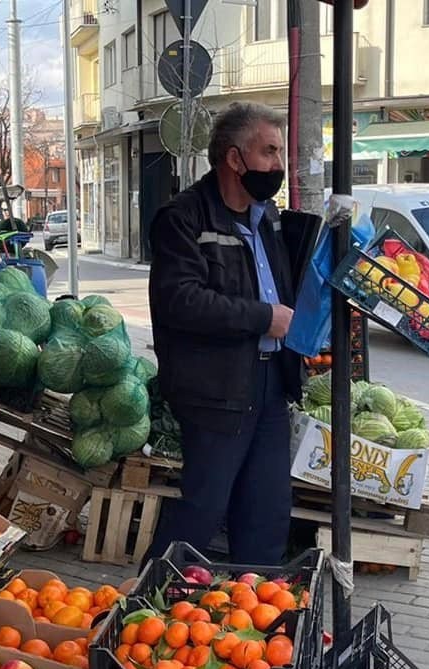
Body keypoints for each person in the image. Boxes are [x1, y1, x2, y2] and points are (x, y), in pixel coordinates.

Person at [143, 102, 301, 567]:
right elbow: (179, 300)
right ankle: (141, 612)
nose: (278, 165)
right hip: (215, 390)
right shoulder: (183, 218)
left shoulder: (267, 217)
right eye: (269, 152)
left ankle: (254, 621)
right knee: (201, 513)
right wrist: (261, 317)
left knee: (267, 513)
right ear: (235, 159)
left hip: (270, 387)